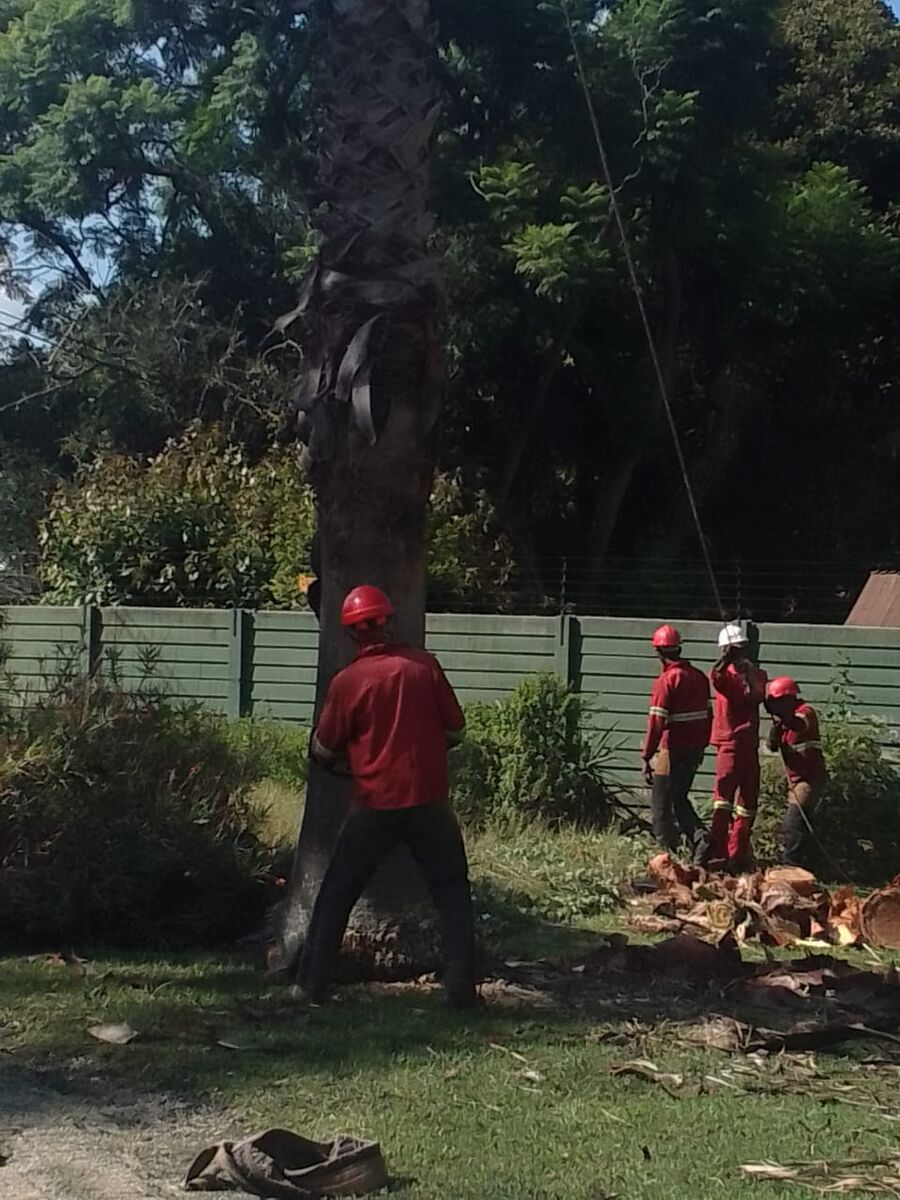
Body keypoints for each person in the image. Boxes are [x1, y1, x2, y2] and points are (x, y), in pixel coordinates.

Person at [295, 585, 479, 1009]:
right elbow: (456, 730)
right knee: (451, 891)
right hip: (430, 801)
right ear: (388, 620)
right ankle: (460, 990)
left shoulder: (348, 683)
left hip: (373, 805)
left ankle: (310, 986)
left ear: (351, 634)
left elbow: (323, 749)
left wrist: (351, 762)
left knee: (338, 891)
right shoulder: (424, 667)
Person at [641, 625, 712, 862]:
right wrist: (702, 747)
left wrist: (646, 756)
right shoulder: (700, 677)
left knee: (661, 803)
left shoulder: (666, 681)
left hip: (672, 749)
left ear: (659, 652)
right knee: (679, 797)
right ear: (679, 649)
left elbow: (656, 722)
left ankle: (664, 857)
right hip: (694, 749)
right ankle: (701, 839)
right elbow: (708, 716)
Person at [708, 623, 768, 871]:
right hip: (746, 747)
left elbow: (720, 678)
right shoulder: (754, 674)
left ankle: (725, 854)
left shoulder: (734, 677)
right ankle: (731, 855)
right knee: (744, 803)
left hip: (732, 747)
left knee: (727, 801)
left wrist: (728, 662)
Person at [765, 676, 827, 868]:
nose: (776, 705)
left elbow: (799, 724)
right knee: (803, 825)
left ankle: (790, 867)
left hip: (809, 779)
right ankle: (810, 866)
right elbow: (771, 746)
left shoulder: (805, 713)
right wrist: (775, 731)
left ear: (789, 698)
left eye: (778, 701)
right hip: (796, 780)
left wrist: (783, 718)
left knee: (792, 826)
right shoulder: (784, 719)